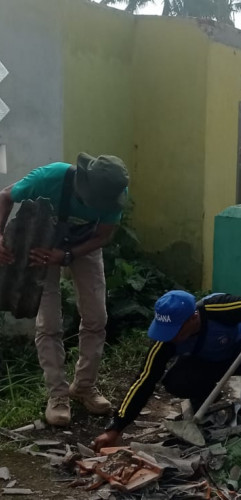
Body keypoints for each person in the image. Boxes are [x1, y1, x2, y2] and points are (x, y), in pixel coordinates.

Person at [0, 153, 129, 426]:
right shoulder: (51, 177)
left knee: (96, 317)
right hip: (40, 247)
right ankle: (57, 395)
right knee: (49, 322)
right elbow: (5, 195)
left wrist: (67, 255)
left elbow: (104, 235)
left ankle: (84, 387)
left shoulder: (114, 192)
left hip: (82, 247)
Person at [92, 290, 241, 451]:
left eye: (175, 331)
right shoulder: (166, 341)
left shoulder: (218, 308)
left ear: (193, 318)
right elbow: (143, 381)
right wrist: (116, 427)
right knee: (175, 381)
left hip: (240, 353)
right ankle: (206, 401)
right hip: (206, 363)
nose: (169, 337)